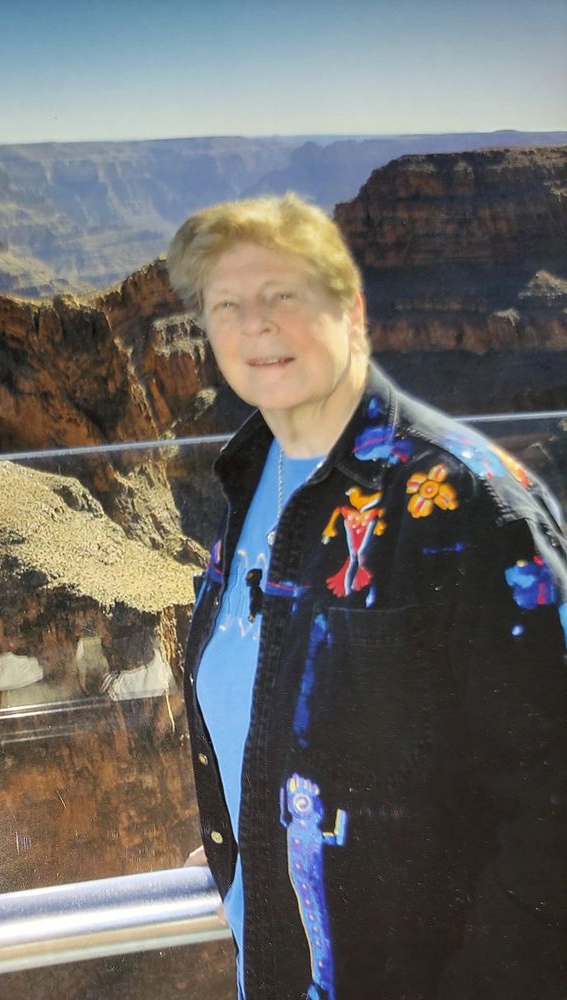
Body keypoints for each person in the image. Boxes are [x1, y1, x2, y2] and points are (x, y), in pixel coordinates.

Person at [167, 195, 566, 1000]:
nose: (257, 326)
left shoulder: (468, 503)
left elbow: (551, 806)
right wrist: (251, 829)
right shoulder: (250, 480)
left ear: (351, 308)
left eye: (284, 296)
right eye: (228, 306)